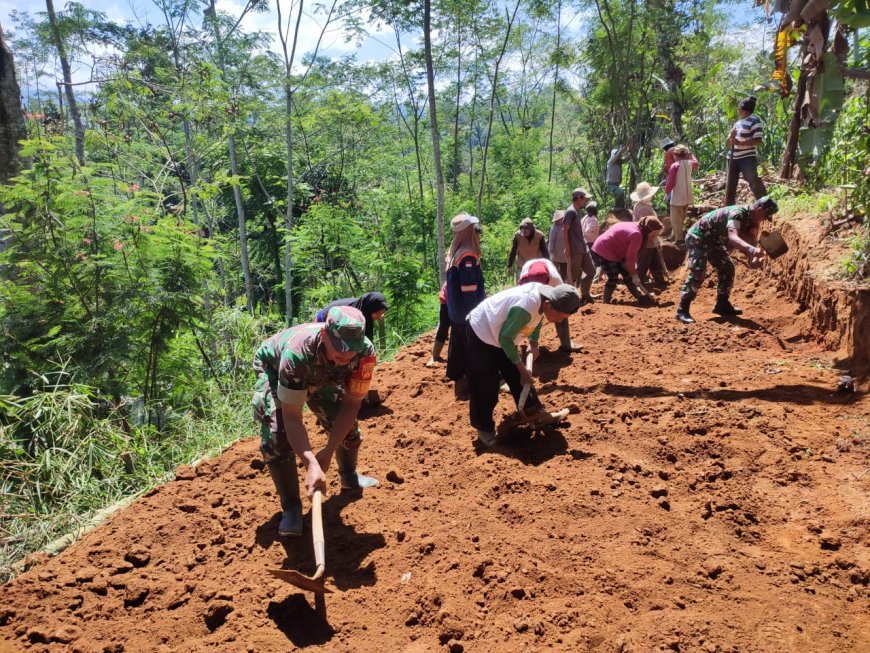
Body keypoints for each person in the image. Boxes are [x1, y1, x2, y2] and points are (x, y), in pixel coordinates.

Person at [252, 306, 377, 537]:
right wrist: (311, 463)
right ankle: (291, 507)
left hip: (324, 375)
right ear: (324, 336)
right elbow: (292, 417)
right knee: (278, 435)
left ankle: (349, 476)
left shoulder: (365, 354)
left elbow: (352, 405)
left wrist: (328, 451)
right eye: (340, 351)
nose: (346, 357)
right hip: (276, 367)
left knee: (347, 428)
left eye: (351, 351)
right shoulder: (297, 354)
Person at [465, 283, 582, 447]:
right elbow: (505, 339)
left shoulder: (544, 300)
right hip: (482, 331)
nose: (561, 320)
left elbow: (537, 319)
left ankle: (534, 412)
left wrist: (533, 343)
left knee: (517, 375)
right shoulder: (526, 306)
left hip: (503, 334)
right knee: (486, 383)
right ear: (549, 304)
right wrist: (522, 369)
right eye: (561, 316)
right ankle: (484, 429)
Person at [676, 196, 779, 324]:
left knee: (727, 268)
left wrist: (753, 259)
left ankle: (722, 304)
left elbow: (750, 241)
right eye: (765, 215)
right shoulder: (738, 213)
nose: (764, 219)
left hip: (715, 241)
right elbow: (733, 237)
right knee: (698, 273)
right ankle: (682, 310)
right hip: (698, 237)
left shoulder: (754, 221)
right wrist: (752, 251)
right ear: (759, 210)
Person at [445, 213, 485, 397]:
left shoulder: (455, 252)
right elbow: (469, 290)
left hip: (456, 312)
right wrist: (477, 313)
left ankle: (459, 381)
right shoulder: (468, 255)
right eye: (475, 229)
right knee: (472, 347)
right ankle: (470, 384)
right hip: (468, 312)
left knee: (458, 344)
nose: (478, 233)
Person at [592, 216, 662, 305]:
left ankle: (640, 297)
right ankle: (605, 303)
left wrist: (632, 273)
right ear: (649, 230)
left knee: (628, 276)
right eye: (655, 234)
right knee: (613, 277)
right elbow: (630, 258)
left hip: (615, 251)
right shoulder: (637, 235)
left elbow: (628, 255)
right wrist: (635, 275)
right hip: (604, 250)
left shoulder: (637, 226)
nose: (656, 236)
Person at [518, 258, 582, 352]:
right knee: (531, 312)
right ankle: (531, 343)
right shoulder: (525, 281)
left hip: (550, 280)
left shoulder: (555, 281)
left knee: (561, 311)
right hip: (529, 273)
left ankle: (566, 343)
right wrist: (533, 343)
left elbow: (563, 307)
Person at [725, 96, 766, 206]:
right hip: (733, 157)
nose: (738, 110)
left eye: (739, 108)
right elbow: (728, 143)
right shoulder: (738, 123)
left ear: (745, 109)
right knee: (730, 183)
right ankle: (728, 207)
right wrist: (731, 137)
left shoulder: (755, 121)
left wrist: (741, 143)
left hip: (746, 157)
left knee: (752, 179)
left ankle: (765, 204)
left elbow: (758, 140)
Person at [562, 188, 596, 303]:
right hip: (575, 249)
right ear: (578, 198)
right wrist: (567, 248)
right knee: (573, 276)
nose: (585, 201)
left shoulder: (577, 212)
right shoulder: (570, 212)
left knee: (591, 271)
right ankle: (567, 300)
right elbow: (564, 230)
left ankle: (585, 294)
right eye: (584, 198)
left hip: (582, 247)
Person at [631, 182, 668, 285]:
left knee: (654, 260)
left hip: (649, 240)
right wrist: (653, 236)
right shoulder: (643, 208)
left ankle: (659, 280)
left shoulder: (640, 206)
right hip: (646, 240)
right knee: (643, 262)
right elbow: (646, 226)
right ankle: (639, 282)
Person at [316, 292, 388, 343]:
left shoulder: (366, 310)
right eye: (378, 313)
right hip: (323, 318)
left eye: (382, 313)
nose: (380, 317)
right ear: (370, 309)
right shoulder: (356, 316)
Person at [665, 144, 699, 245]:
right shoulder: (690, 163)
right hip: (687, 196)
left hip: (677, 197)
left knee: (676, 219)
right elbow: (696, 162)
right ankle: (673, 236)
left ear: (675, 155)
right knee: (681, 218)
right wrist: (690, 154)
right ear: (686, 155)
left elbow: (670, 182)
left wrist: (667, 192)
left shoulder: (675, 166)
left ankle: (679, 240)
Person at [426, 282, 449, 367]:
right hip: (448, 298)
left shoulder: (474, 271)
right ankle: (434, 357)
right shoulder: (454, 270)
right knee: (444, 326)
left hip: (470, 297)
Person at [606, 144, 629, 209]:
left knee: (622, 194)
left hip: (617, 185)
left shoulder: (619, 163)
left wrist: (629, 151)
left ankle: (620, 207)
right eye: (617, 156)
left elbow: (627, 159)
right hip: (611, 185)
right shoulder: (611, 162)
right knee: (620, 192)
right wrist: (625, 147)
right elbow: (617, 155)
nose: (619, 157)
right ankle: (618, 208)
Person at [548, 210, 568, 281]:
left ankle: (563, 283)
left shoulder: (565, 227)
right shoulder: (554, 229)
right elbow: (551, 242)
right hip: (556, 254)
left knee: (564, 272)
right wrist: (551, 253)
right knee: (555, 272)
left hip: (564, 254)